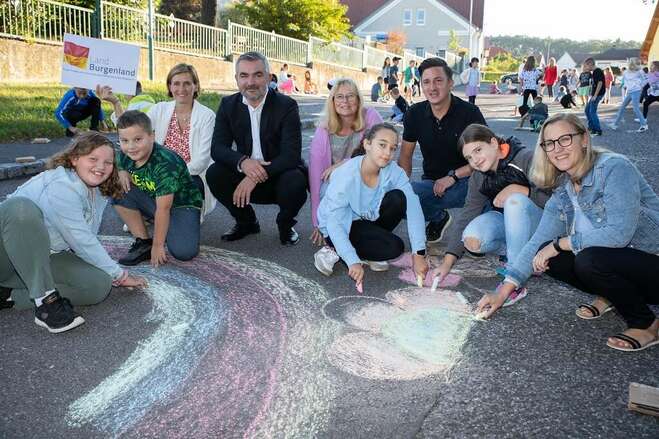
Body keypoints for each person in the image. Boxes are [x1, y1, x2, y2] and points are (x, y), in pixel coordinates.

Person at [476, 113, 659, 352]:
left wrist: (560, 243)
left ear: (584, 139)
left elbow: (619, 234)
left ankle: (646, 324)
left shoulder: (614, 167)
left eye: (565, 139)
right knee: (546, 256)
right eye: (549, 143)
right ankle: (611, 296)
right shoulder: (564, 187)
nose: (557, 149)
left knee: (586, 259)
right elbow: (537, 242)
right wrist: (502, 293)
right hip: (624, 266)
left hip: (651, 262)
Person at [1, 132, 146, 332]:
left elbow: (85, 241)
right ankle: (46, 304)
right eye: (93, 159)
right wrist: (120, 274)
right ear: (75, 159)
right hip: (6, 256)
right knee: (20, 207)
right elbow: (80, 239)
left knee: (99, 284)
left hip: (42, 257)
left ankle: (8, 295)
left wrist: (109, 273)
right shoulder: (61, 186)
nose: (101, 167)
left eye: (108, 162)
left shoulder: (98, 191)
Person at [432, 124, 550, 304]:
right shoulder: (479, 176)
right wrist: (447, 262)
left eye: (478, 150)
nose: (476, 160)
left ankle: (513, 280)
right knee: (472, 238)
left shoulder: (526, 158)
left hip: (544, 226)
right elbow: (467, 214)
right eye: (469, 158)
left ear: (494, 142)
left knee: (514, 201)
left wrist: (522, 190)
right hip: (515, 226)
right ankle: (524, 257)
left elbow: (558, 201)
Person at [207, 51, 307, 245]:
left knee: (295, 180)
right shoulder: (228, 105)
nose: (250, 82)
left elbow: (291, 155)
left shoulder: (286, 106)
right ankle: (247, 222)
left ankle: (285, 224)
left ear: (269, 78)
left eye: (257, 75)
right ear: (237, 79)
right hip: (245, 172)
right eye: (244, 75)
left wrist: (254, 174)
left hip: (278, 176)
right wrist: (243, 163)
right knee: (215, 174)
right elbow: (218, 148)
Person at [314, 123, 429, 287]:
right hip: (339, 224)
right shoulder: (346, 175)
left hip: (367, 218)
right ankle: (333, 248)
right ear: (367, 144)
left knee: (399, 198)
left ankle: (367, 249)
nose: (387, 153)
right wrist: (352, 260)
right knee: (394, 247)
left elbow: (413, 207)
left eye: (393, 148)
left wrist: (419, 253)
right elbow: (334, 222)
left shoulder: (393, 170)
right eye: (382, 145)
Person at [98, 64, 217, 219]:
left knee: (179, 223)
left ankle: (173, 215)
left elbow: (201, 161)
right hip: (157, 172)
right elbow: (131, 128)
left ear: (196, 86)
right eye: (176, 83)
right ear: (169, 86)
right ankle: (147, 217)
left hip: (190, 175)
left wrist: (167, 176)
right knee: (123, 180)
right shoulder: (160, 109)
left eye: (187, 83)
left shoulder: (207, 116)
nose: (182, 89)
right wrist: (115, 103)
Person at [398, 57, 486, 243]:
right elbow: (405, 156)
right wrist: (401, 188)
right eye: (426, 82)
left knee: (483, 210)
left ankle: (478, 220)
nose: (432, 87)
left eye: (438, 80)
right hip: (432, 184)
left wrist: (453, 177)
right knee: (397, 198)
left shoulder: (469, 113)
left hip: (467, 181)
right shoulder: (414, 114)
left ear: (450, 83)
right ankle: (439, 217)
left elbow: (486, 158)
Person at [113, 111, 204, 266]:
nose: (131, 147)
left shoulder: (165, 163)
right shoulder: (125, 153)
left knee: (184, 252)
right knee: (117, 189)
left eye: (137, 139)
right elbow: (118, 157)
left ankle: (173, 228)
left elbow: (164, 209)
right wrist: (121, 171)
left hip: (181, 205)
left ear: (152, 136)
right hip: (155, 198)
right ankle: (143, 242)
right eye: (124, 140)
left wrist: (158, 245)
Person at [309, 77, 383, 248]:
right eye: (340, 96)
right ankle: (337, 236)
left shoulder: (370, 116)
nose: (345, 101)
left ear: (358, 99)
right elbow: (315, 178)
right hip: (338, 185)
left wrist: (345, 163)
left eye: (350, 96)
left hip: (367, 178)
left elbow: (380, 153)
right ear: (332, 100)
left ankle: (364, 232)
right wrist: (317, 222)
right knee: (328, 190)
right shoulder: (324, 128)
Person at [609, 58, 649, 133]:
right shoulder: (626, 72)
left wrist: (640, 86)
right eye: (636, 63)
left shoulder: (639, 71)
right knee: (622, 107)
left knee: (635, 109)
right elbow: (623, 79)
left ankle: (644, 125)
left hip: (636, 91)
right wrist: (621, 85)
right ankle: (615, 124)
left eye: (638, 64)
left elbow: (646, 80)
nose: (638, 65)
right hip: (630, 92)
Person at [583, 58, 605, 136]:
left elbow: (600, 83)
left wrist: (595, 95)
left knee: (592, 112)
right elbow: (594, 84)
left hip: (598, 94)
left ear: (590, 64)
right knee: (587, 110)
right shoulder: (593, 72)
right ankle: (591, 127)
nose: (586, 67)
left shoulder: (597, 71)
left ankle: (597, 130)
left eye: (586, 66)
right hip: (594, 95)